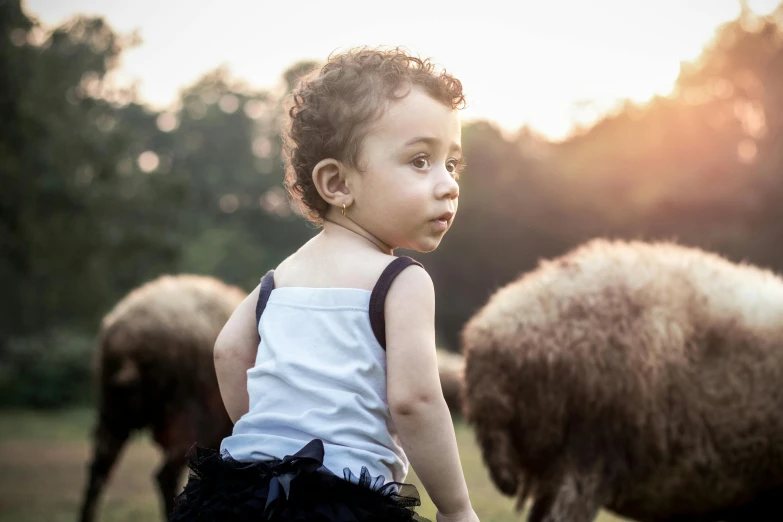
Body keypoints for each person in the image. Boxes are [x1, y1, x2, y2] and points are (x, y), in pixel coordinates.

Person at [169, 46, 479, 522]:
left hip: (241, 497)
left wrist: (275, 438)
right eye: (420, 160)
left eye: (451, 164)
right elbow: (415, 401)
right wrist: (456, 509)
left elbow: (228, 351)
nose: (448, 184)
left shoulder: (282, 276)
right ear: (337, 183)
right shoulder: (400, 281)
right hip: (339, 503)